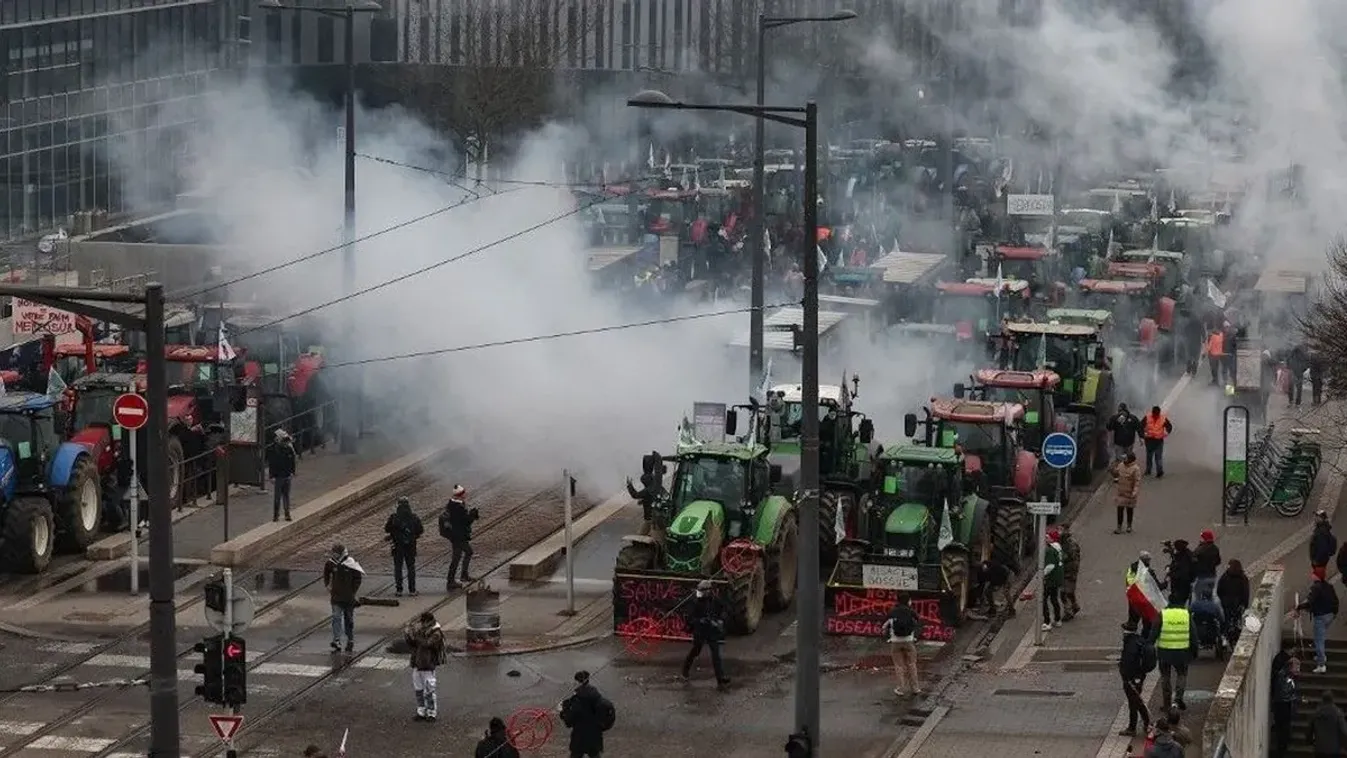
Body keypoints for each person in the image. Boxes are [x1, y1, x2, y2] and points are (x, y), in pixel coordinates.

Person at [681, 579, 729, 687]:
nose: (700, 593)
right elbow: (690, 618)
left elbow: (724, 610)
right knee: (695, 651)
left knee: (716, 654)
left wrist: (720, 620)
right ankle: (685, 670)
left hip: (712, 631)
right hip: (700, 631)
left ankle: (720, 678)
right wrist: (700, 621)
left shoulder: (715, 600)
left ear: (709, 591)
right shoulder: (695, 602)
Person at [560, 671, 615, 758]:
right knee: (594, 755)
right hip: (595, 736)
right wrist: (602, 727)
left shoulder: (576, 701)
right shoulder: (597, 697)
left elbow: (569, 722)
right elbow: (608, 712)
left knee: (576, 755)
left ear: (577, 682)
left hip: (579, 738)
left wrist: (563, 712)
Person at [403, 610, 446, 721]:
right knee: (419, 689)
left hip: (428, 664)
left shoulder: (436, 632)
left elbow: (427, 644)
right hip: (418, 663)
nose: (421, 624)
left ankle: (431, 712)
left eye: (423, 622)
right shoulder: (422, 630)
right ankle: (421, 711)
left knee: (429, 690)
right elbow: (412, 643)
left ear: (428, 622)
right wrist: (408, 634)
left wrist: (416, 635)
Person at [1296, 568, 1340, 674]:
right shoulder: (1329, 586)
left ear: (1317, 576)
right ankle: (1321, 657)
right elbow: (1335, 600)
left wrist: (1298, 607)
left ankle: (1321, 664)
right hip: (1330, 615)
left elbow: (1310, 602)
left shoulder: (1316, 588)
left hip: (1321, 617)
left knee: (1319, 640)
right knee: (1321, 637)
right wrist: (1334, 613)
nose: (1312, 575)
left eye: (1314, 574)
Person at [322, 543, 364, 653]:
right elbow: (326, 573)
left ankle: (350, 639)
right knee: (336, 617)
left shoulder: (350, 563)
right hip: (336, 597)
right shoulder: (331, 563)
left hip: (348, 598)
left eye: (335, 553)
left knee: (348, 619)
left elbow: (357, 578)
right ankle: (337, 640)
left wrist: (353, 591)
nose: (334, 555)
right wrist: (327, 585)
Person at [881, 593, 924, 696]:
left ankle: (900, 689)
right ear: (908, 601)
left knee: (899, 666)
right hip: (909, 641)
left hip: (895, 642)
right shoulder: (911, 612)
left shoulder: (892, 612)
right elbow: (919, 624)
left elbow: (884, 627)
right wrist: (915, 637)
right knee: (912, 664)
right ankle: (915, 688)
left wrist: (887, 638)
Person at [1117, 622, 1154, 737]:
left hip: (1132, 678)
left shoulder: (1130, 645)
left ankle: (1135, 727)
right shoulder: (1138, 640)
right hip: (1139, 676)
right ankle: (1146, 723)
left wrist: (1125, 675)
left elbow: (1128, 663)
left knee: (1134, 702)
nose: (1122, 633)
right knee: (1136, 701)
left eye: (1124, 631)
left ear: (1127, 632)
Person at [439, 485, 479, 590]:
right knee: (467, 553)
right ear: (460, 495)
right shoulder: (457, 507)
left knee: (457, 557)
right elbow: (464, 522)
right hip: (458, 536)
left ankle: (455, 578)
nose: (465, 495)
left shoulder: (454, 505)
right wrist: (472, 515)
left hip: (457, 536)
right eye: (464, 493)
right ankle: (457, 578)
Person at [1156, 603, 1195, 711]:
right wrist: (1194, 652)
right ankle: (1178, 699)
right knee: (1182, 675)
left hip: (1164, 652)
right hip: (1181, 653)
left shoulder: (1163, 614)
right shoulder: (1186, 615)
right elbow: (1193, 635)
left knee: (1165, 677)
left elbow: (1153, 634)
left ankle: (1167, 703)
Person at [384, 496, 424, 597]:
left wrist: (394, 533)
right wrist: (413, 536)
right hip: (410, 545)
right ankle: (412, 590)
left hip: (397, 546)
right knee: (411, 567)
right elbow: (420, 530)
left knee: (398, 567)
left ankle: (399, 589)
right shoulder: (414, 517)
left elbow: (387, 528)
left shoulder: (394, 517)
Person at [1125, 551, 1160, 633]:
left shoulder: (1132, 568)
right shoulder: (1148, 572)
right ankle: (1144, 641)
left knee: (1132, 622)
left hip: (1133, 599)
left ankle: (1130, 640)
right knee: (1147, 624)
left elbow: (1129, 581)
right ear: (1147, 561)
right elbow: (1158, 586)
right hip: (1145, 600)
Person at [1272, 657, 1300, 758]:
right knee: (1282, 733)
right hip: (1282, 708)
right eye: (1296, 667)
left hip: (1284, 707)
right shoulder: (1284, 676)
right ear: (1290, 667)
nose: (1298, 670)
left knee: (1284, 732)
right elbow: (1284, 693)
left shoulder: (1287, 676)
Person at [268, 429, 298, 522]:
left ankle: (287, 514)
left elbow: (292, 461)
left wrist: (292, 472)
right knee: (278, 497)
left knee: (286, 496)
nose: (286, 443)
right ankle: (276, 515)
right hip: (279, 477)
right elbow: (272, 464)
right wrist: (272, 476)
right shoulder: (275, 450)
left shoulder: (289, 449)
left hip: (287, 475)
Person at [1217, 559, 1251, 640]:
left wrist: (1222, 600)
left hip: (1226, 603)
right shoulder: (1243, 578)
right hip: (1238, 604)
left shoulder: (1225, 576)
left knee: (1225, 620)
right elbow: (1246, 592)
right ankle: (1236, 635)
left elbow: (1219, 590)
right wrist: (1245, 604)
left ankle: (1223, 637)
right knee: (1237, 619)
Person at [1106, 403, 1143, 477]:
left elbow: (1139, 427)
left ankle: (1126, 473)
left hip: (1128, 443)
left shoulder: (1132, 418)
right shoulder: (1116, 418)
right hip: (1120, 443)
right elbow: (1109, 427)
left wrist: (1141, 437)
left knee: (1127, 459)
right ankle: (1118, 475)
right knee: (1120, 459)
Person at [1308, 690, 1347, 757]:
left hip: (1319, 748)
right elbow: (1344, 731)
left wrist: (1310, 741)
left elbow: (1310, 730)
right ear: (1332, 699)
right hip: (1334, 748)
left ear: (1322, 699)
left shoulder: (1316, 713)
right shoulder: (1338, 713)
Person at [1042, 529, 1064, 631]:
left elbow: (1050, 566)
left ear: (1052, 539)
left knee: (1043, 599)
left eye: (1047, 537)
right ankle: (1058, 619)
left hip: (1051, 579)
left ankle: (1047, 622)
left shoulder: (1051, 550)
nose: (1045, 539)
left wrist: (1041, 575)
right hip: (1058, 578)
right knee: (1054, 599)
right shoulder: (1059, 548)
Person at [1115, 451, 1142, 534]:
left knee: (1129, 510)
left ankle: (1129, 525)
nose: (1124, 459)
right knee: (1120, 509)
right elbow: (1116, 473)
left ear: (1130, 460)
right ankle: (1119, 526)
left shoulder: (1135, 469)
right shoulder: (1121, 465)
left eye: (1125, 458)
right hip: (1121, 492)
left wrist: (1135, 492)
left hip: (1130, 493)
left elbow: (1137, 482)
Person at [1142, 406, 1172, 478]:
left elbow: (1169, 426)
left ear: (1159, 413)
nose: (1155, 415)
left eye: (1157, 414)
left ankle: (1159, 471)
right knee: (1149, 456)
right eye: (1154, 414)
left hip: (1158, 440)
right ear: (1152, 413)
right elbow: (1141, 426)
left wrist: (1166, 433)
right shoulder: (1147, 417)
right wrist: (1143, 434)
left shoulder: (1163, 418)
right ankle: (1148, 470)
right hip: (1149, 440)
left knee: (1158, 457)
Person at [1059, 523, 1082, 619]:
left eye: (1060, 529)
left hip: (1070, 570)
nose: (1058, 531)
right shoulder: (1063, 541)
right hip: (1067, 569)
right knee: (1069, 591)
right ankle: (1074, 606)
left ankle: (1068, 611)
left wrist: (1060, 557)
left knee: (1064, 592)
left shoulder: (1070, 543)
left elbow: (1071, 556)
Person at [1166, 540, 1196, 606]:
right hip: (1186, 586)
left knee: (1177, 604)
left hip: (1180, 587)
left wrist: (1170, 573)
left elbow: (1181, 573)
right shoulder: (1187, 555)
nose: (1174, 550)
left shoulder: (1183, 560)